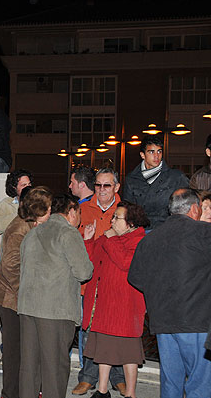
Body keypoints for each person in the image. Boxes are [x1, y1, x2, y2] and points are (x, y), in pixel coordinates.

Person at [129, 189, 211, 398]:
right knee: (199, 384)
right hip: (197, 322)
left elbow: (135, 278)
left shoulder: (150, 239)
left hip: (163, 322)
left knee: (171, 383)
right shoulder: (204, 233)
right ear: (194, 208)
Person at [18, 194, 93, 398]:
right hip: (55, 311)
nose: (79, 218)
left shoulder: (33, 233)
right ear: (71, 211)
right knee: (54, 370)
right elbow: (84, 272)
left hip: (27, 309)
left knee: (29, 368)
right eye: (79, 213)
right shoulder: (68, 233)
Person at [0, 186, 53, 398]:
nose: (51, 212)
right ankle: (9, 394)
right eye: (48, 208)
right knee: (13, 350)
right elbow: (10, 268)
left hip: (20, 296)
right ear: (37, 210)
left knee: (25, 348)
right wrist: (28, 293)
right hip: (9, 298)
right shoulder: (19, 230)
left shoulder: (33, 225)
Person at [82, 201, 149, 398]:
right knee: (104, 349)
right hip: (105, 304)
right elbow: (91, 260)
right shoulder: (108, 237)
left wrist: (111, 240)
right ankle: (102, 391)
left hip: (127, 306)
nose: (112, 221)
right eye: (113, 217)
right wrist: (88, 240)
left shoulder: (139, 240)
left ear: (130, 222)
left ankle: (130, 393)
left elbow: (126, 263)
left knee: (130, 353)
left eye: (116, 218)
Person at [74, 168, 125, 396]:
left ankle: (118, 377)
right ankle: (88, 377)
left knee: (116, 330)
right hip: (90, 281)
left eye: (106, 185)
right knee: (88, 330)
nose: (101, 190)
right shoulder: (82, 210)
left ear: (116, 187)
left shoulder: (125, 212)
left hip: (115, 283)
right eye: (97, 185)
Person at [123, 135, 188, 229]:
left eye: (159, 151)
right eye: (151, 152)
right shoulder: (131, 179)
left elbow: (187, 206)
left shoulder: (176, 177)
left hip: (167, 230)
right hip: (140, 232)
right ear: (142, 155)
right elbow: (127, 210)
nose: (156, 156)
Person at [0, 169, 33, 236]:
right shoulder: (6, 204)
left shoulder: (37, 201)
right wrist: (20, 213)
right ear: (14, 187)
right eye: (23, 185)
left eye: (29, 184)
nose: (28, 188)